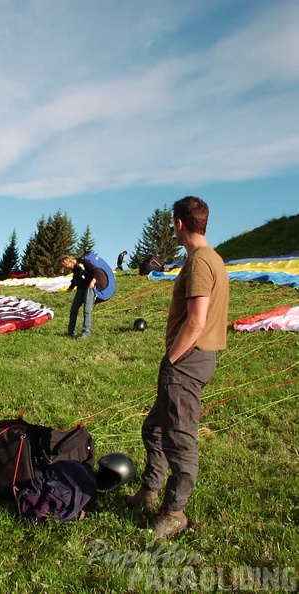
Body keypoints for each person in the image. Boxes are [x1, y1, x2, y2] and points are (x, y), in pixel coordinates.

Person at [126, 196, 229, 539]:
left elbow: (197, 322)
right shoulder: (212, 258)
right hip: (196, 357)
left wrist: (171, 359)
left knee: (180, 439)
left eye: (173, 223)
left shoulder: (201, 262)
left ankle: (174, 513)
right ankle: (149, 491)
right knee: (155, 428)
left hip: (187, 360)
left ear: (179, 224)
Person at [61, 254, 107, 339]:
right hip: (80, 289)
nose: (67, 267)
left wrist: (93, 281)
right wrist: (71, 287)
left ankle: (86, 332)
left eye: (66, 265)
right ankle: (71, 332)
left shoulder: (84, 262)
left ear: (70, 261)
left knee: (87, 310)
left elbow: (96, 272)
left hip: (89, 288)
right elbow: (75, 278)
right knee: (73, 309)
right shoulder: (75, 268)